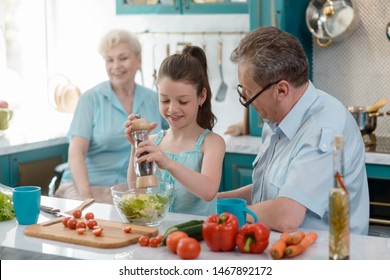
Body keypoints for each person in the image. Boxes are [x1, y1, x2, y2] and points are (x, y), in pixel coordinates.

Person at [218, 26, 369, 235]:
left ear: (281, 90)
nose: (248, 101)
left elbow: (286, 215)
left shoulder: (323, 129)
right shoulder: (277, 118)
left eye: (250, 94)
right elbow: (268, 193)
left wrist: (220, 215)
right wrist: (208, 202)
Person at [55, 29, 167, 204]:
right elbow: (76, 152)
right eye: (110, 60)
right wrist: (86, 198)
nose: (116, 66)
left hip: (132, 188)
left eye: (123, 58)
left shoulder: (155, 99)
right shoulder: (90, 99)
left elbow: (173, 140)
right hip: (86, 185)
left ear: (139, 60)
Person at [125, 45, 226, 216]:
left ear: (201, 96)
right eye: (164, 100)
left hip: (197, 237)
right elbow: (136, 190)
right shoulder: (155, 141)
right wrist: (135, 146)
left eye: (183, 101)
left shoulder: (211, 143)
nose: (172, 109)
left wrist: (168, 163)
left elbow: (209, 191)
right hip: (158, 232)